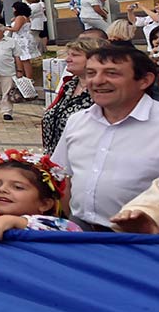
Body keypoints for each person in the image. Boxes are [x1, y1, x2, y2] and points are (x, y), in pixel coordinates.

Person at [50, 47, 159, 230]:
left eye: (112, 73)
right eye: (91, 73)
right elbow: (62, 176)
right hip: (79, 230)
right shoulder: (78, 120)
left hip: (141, 239)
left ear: (145, 80)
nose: (98, 81)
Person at [40, 39, 102, 154]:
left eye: (75, 55)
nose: (67, 59)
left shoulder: (101, 92)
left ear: (93, 59)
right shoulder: (69, 86)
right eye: (68, 54)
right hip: (55, 159)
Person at [6, 0, 38, 81]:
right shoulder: (25, 17)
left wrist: (6, 28)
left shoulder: (20, 17)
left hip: (21, 39)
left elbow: (16, 28)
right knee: (21, 58)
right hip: (25, 37)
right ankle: (24, 76)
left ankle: (29, 78)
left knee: (24, 59)